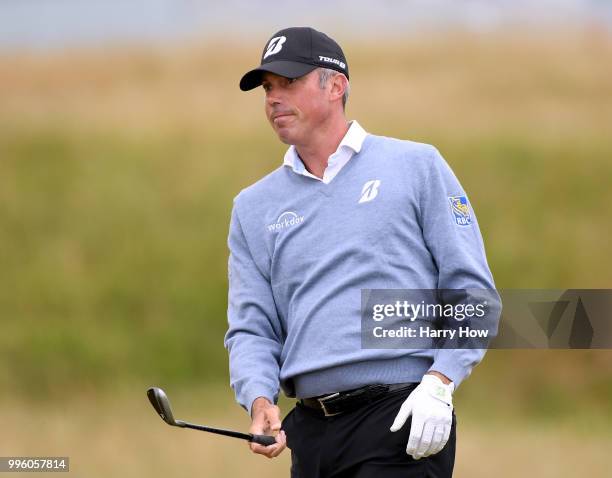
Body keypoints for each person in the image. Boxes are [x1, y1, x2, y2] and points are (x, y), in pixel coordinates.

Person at [224, 27, 500, 477]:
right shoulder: (253, 207)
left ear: (336, 86)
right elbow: (252, 328)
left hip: (399, 417)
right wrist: (259, 398)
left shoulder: (416, 166)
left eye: (288, 83)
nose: (273, 98)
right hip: (311, 436)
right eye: (268, 88)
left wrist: (441, 380)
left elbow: (473, 294)